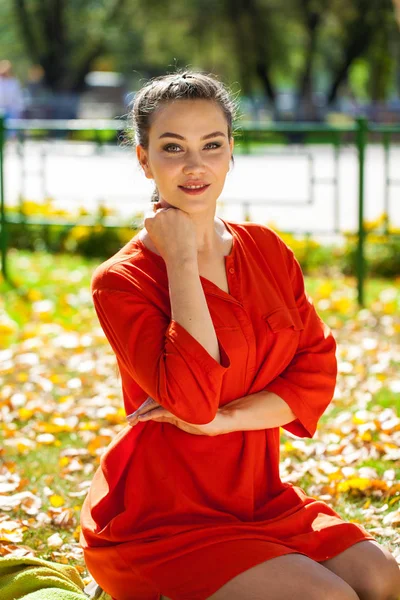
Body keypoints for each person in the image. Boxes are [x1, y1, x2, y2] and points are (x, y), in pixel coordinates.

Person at [79, 70, 400, 600]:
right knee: (330, 598)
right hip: (162, 519)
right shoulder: (122, 280)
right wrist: (182, 258)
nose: (195, 165)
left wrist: (229, 422)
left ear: (231, 151)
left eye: (212, 145)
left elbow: (316, 372)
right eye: (172, 148)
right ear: (144, 160)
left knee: (382, 578)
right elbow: (192, 399)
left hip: (258, 498)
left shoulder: (267, 251)